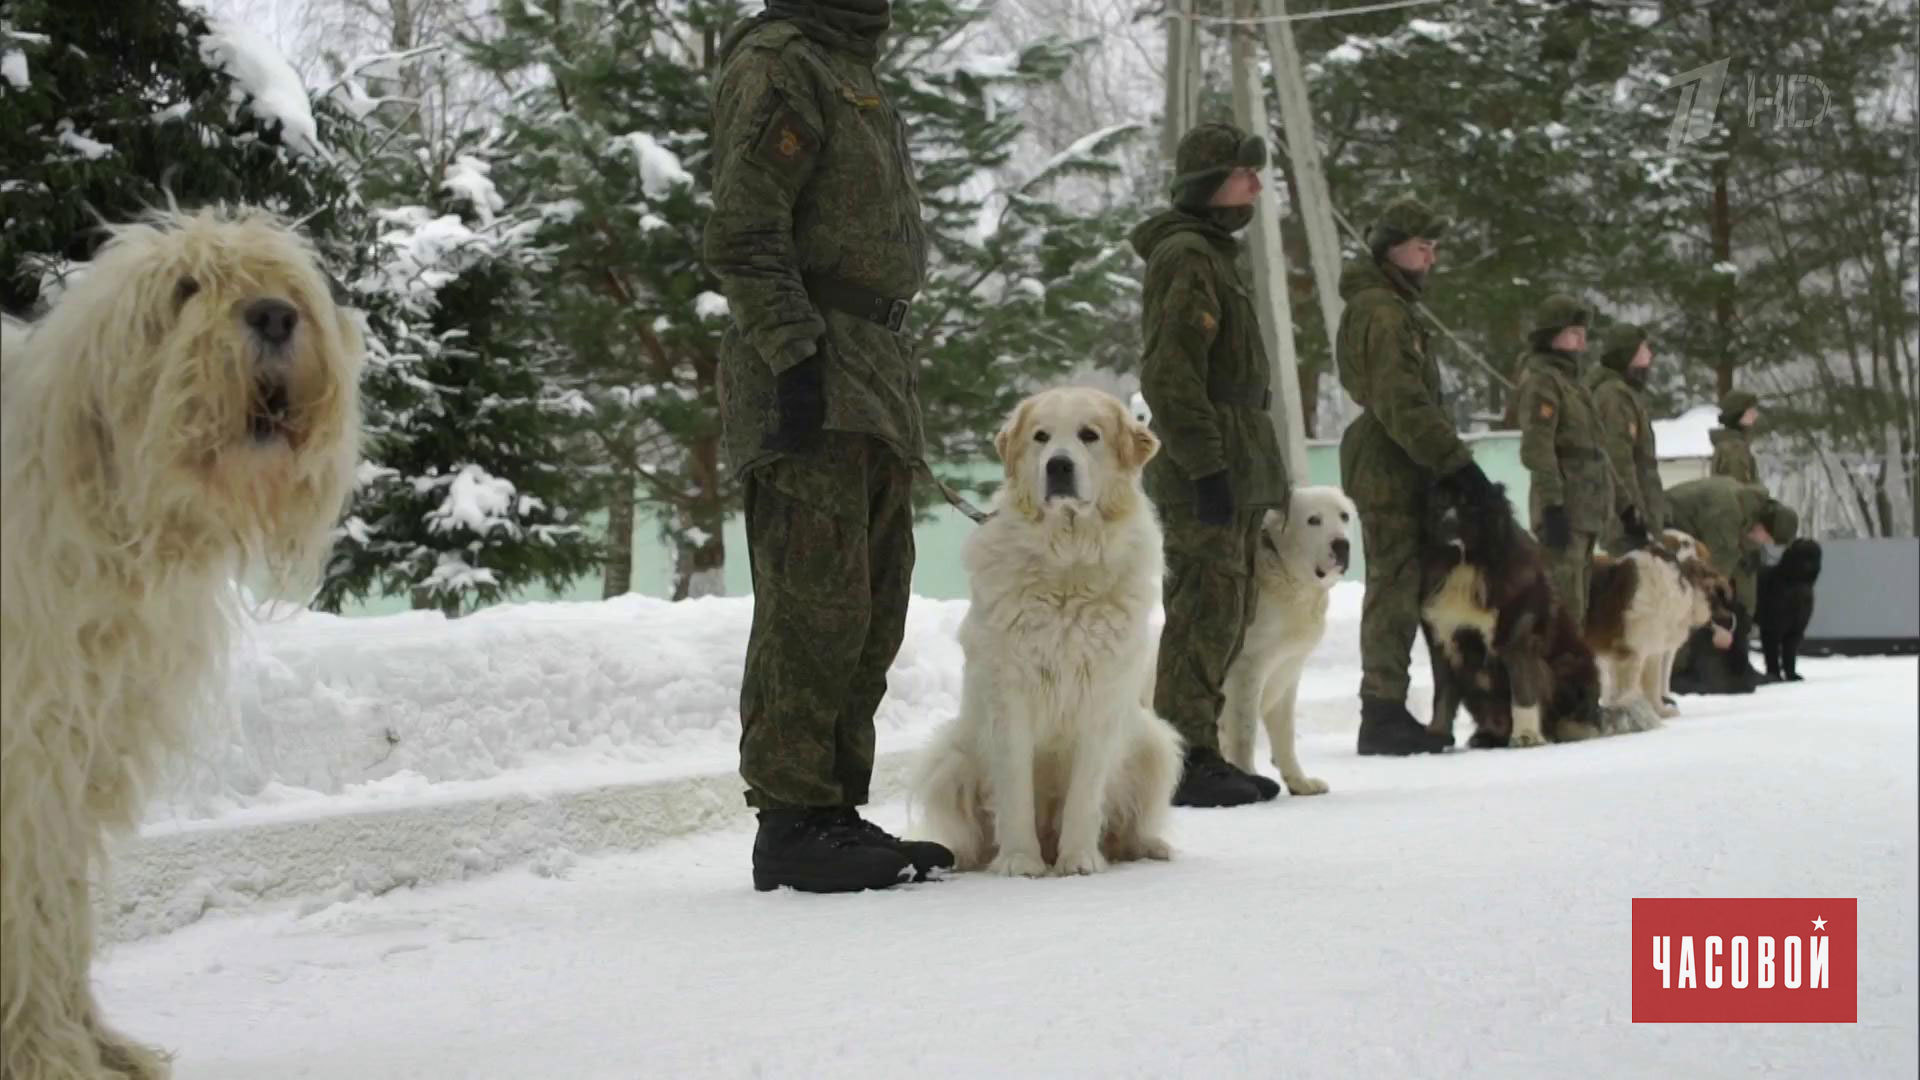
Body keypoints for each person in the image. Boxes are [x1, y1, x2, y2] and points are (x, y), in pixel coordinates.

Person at [704, 0, 953, 892]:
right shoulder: (783, 61)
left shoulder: (850, 64)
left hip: (873, 363)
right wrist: (792, 352)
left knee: (873, 599)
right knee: (814, 603)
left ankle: (836, 808)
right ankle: (792, 818)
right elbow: (744, 230)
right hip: (811, 360)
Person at [1134, 121, 1289, 805]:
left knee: (1225, 610)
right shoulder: (1188, 257)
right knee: (1202, 608)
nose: (1256, 185)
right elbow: (1171, 374)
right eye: (1242, 172)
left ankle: (1201, 749)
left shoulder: (1214, 256)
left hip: (1233, 455)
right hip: (1209, 463)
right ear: (1206, 184)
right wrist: (1205, 467)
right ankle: (1181, 756)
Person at [1335, 196, 1488, 756]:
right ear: (1389, 250)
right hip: (1390, 464)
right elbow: (1401, 400)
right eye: (1420, 244)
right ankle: (1381, 711)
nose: (1431, 255)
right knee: (1394, 589)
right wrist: (1455, 463)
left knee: (1411, 586)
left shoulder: (1392, 306)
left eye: (1433, 245)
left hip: (1402, 461)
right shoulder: (1382, 311)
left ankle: (1403, 708)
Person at [1513, 295, 1644, 628]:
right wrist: (1553, 507)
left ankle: (1568, 677)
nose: (1582, 340)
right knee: (1560, 613)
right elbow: (1537, 449)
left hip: (1587, 515)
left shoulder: (1577, 387)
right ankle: (1553, 678)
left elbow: (1599, 454)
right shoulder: (1543, 381)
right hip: (1566, 515)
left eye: (1583, 332)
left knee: (1577, 611)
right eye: (1573, 332)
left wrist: (1626, 507)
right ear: (1550, 335)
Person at [1665, 477, 1800, 694]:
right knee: (1683, 601)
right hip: (1659, 533)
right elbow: (1710, 580)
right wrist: (1716, 626)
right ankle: (1676, 671)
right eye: (1767, 539)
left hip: (1683, 538)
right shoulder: (1727, 517)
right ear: (1763, 525)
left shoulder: (1746, 507)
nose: (1763, 544)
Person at [1586, 323, 1667, 555]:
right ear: (1627, 356)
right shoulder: (1614, 397)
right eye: (1643, 350)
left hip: (1632, 521)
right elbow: (1620, 463)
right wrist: (1635, 515)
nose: (1650, 356)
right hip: (1624, 527)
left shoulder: (1626, 395)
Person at [1710, 389, 1761, 483]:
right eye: (1750, 411)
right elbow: (1739, 492)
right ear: (1738, 415)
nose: (1756, 415)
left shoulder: (1728, 444)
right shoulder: (1734, 449)